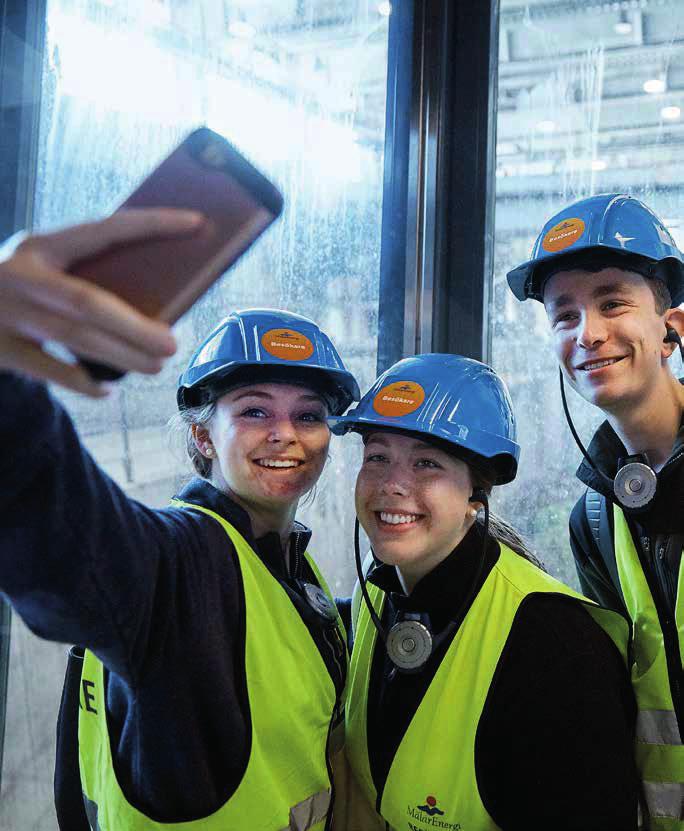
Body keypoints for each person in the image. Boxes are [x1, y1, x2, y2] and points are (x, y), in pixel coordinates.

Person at [0, 209, 360, 830]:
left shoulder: (285, 566)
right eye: (253, 411)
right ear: (202, 435)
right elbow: (60, 537)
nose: (286, 434)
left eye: (308, 415)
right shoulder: (180, 565)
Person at [329, 352, 639, 831]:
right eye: (377, 457)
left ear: (477, 494)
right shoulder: (378, 596)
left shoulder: (554, 645)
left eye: (427, 463)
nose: (391, 484)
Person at [507, 193, 684, 830]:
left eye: (613, 302)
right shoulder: (595, 517)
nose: (589, 333)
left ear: (673, 328)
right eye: (565, 314)